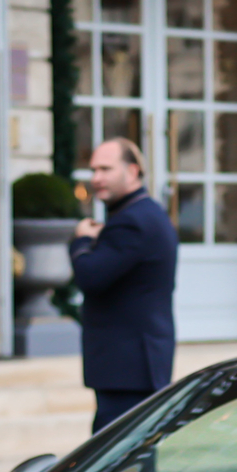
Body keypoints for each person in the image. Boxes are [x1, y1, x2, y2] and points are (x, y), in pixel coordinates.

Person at [70, 137, 178, 432]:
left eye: (105, 169)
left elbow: (90, 277)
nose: (96, 179)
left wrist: (81, 241)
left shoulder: (131, 222)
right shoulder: (148, 214)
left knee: (117, 467)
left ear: (132, 172)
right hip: (136, 364)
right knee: (134, 462)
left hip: (127, 368)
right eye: (93, 170)